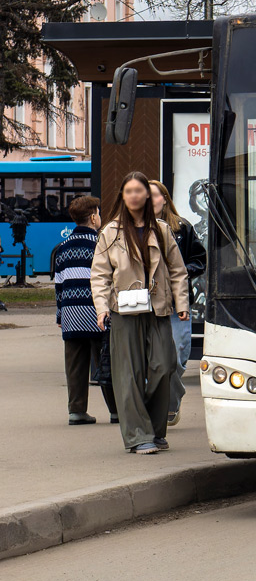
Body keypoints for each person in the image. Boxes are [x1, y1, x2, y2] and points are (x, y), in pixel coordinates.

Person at [90, 172, 190, 455]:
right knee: (128, 374)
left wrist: (182, 304)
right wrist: (101, 309)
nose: (133, 195)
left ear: (148, 195)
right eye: (128, 191)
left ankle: (155, 430)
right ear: (122, 196)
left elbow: (178, 272)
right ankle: (137, 435)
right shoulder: (110, 232)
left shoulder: (162, 230)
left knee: (165, 365)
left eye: (139, 190)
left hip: (158, 308)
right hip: (124, 310)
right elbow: (99, 276)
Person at [54, 195, 115, 424]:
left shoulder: (62, 248)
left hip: (70, 314)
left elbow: (59, 284)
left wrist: (60, 314)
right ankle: (116, 410)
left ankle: (77, 411)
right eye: (98, 213)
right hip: (96, 312)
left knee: (75, 365)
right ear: (92, 217)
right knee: (106, 361)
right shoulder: (101, 244)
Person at [149, 180, 205, 427]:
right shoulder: (136, 228)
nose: (149, 200)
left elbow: (199, 260)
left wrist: (181, 271)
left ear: (164, 198)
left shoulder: (182, 227)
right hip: (147, 302)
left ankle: (172, 401)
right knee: (152, 359)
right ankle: (160, 407)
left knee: (179, 356)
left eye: (154, 195)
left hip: (177, 301)